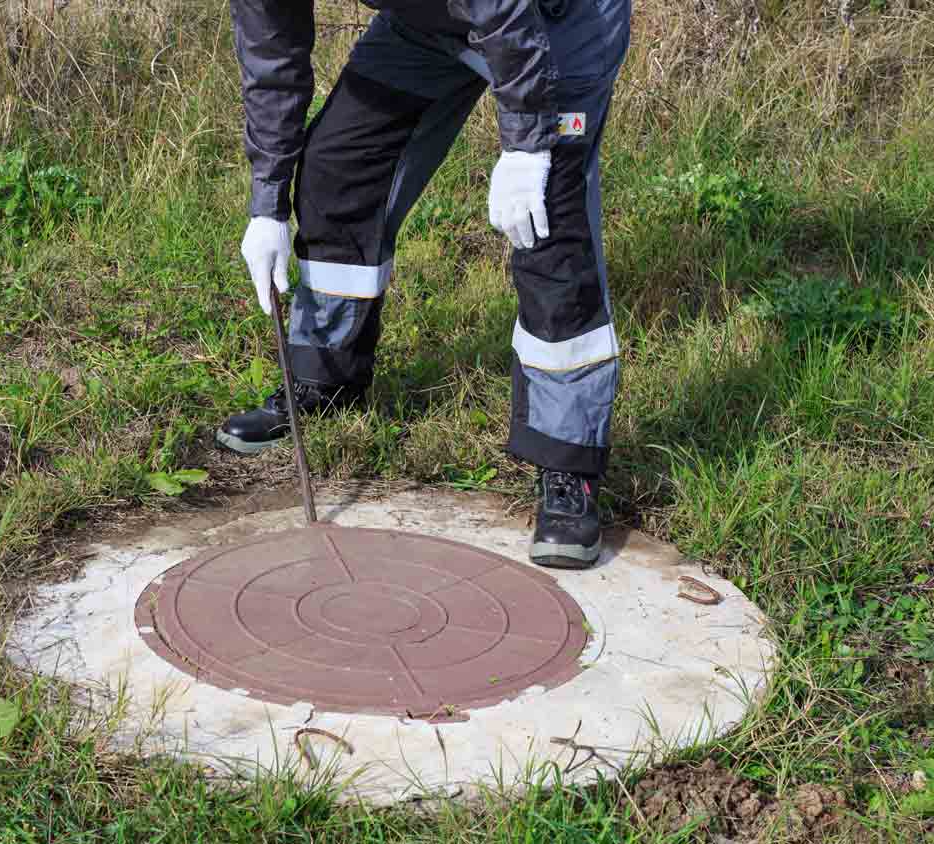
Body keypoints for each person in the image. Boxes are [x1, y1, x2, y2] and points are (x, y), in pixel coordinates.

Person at [215, 0, 631, 569]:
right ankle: (325, 377)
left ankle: (569, 462)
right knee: (341, 167)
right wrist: (268, 206)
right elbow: (272, 59)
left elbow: (505, 13)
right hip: (429, 23)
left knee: (548, 225)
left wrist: (528, 147)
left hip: (555, 22)